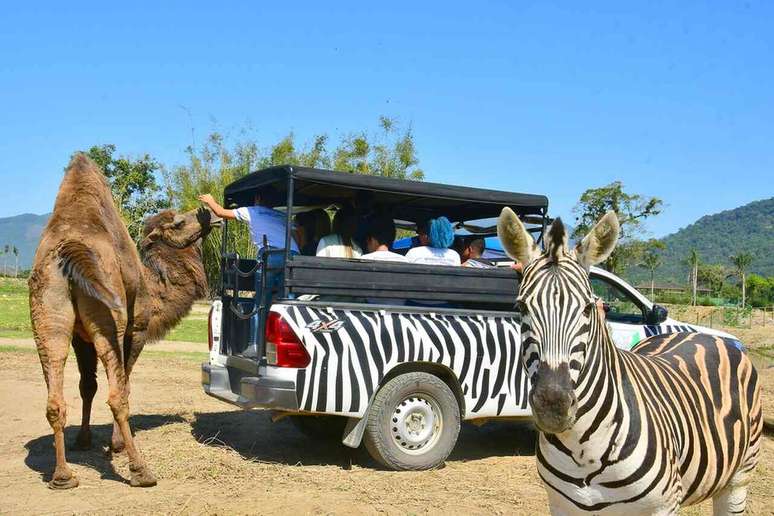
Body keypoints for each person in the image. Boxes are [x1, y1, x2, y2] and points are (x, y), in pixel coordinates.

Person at [198, 191, 298, 253]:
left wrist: (210, 201)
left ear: (257, 198)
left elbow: (220, 212)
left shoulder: (252, 211)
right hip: (293, 253)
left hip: (272, 254)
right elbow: (297, 233)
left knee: (264, 285)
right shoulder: (281, 215)